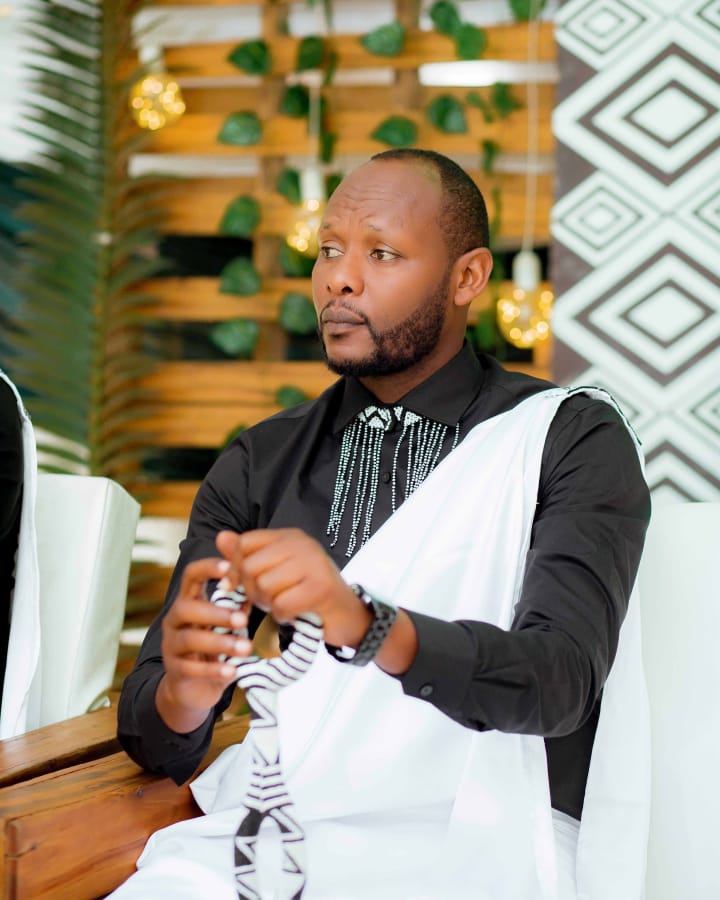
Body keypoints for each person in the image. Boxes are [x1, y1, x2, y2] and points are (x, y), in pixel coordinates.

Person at [115, 149, 651, 899]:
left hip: (497, 838)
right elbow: (155, 735)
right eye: (329, 250)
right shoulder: (262, 461)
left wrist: (365, 623)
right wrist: (186, 691)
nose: (340, 278)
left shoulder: (565, 438)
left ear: (467, 278)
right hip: (285, 829)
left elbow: (559, 683)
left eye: (382, 253)